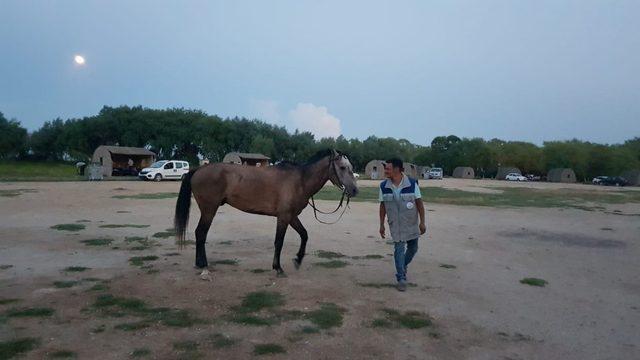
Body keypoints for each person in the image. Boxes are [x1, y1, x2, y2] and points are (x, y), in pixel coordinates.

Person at [378, 158, 426, 291]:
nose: (385, 170)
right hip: (395, 224)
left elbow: (419, 204)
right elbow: (382, 206)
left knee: (413, 248)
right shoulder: (383, 186)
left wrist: (422, 222)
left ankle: (403, 265)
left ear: (397, 169)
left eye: (388, 168)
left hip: (410, 223)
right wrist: (381, 224)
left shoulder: (412, 184)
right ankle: (401, 277)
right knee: (399, 248)